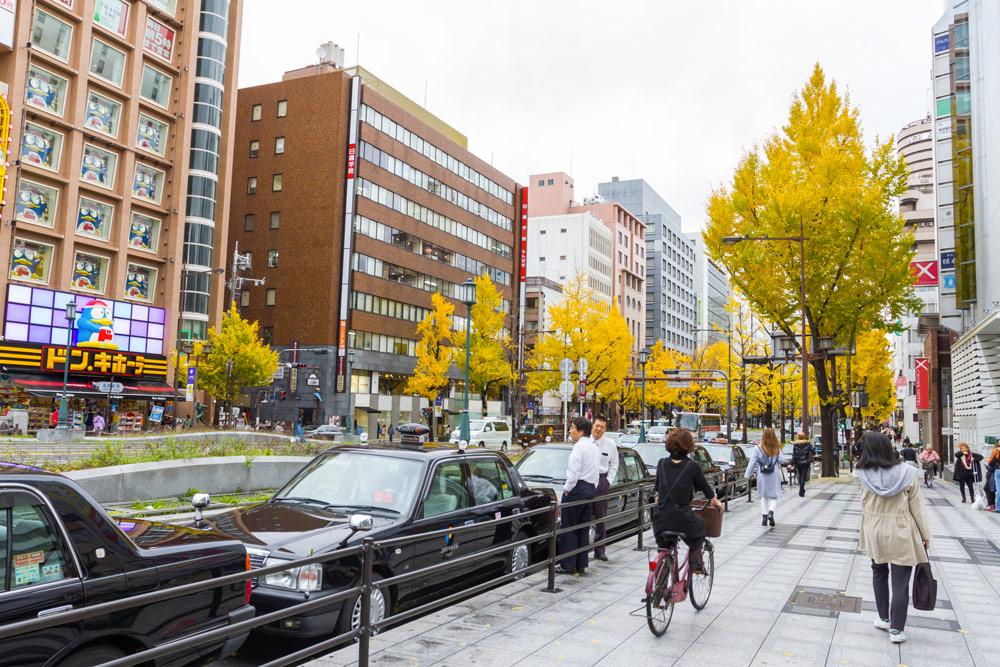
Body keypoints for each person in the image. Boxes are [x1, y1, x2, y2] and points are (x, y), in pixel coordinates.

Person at [855, 431, 931, 644]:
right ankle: (897, 630)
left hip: (874, 528)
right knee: (900, 581)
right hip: (901, 528)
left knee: (878, 571)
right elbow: (917, 507)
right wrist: (925, 534)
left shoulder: (861, 473)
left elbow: (863, 503)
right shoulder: (908, 472)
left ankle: (883, 617)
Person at [652, 428, 723, 573]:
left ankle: (661, 576)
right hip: (682, 518)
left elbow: (658, 493)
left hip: (660, 518)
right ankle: (696, 562)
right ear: (688, 446)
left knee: (664, 546)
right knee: (700, 527)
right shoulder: (692, 467)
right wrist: (717, 502)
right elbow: (706, 489)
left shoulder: (661, 463)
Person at [558, 417, 601, 575]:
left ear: (581, 431)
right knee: (583, 528)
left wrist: (567, 489)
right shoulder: (593, 447)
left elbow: (573, 473)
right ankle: (581, 564)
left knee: (569, 527)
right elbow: (597, 472)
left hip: (576, 489)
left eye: (572, 427)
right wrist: (592, 488)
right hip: (589, 489)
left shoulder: (579, 447)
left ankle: (568, 564)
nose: (570, 430)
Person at [590, 415, 619, 561]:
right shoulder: (586, 442)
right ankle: (582, 551)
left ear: (605, 429)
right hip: (587, 481)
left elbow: (614, 464)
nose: (598, 429)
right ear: (592, 426)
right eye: (596, 426)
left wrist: (608, 481)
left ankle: (599, 550)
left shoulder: (610, 444)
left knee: (601, 518)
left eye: (601, 427)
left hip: (601, 481)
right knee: (583, 516)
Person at [745, 427, 785, 526]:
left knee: (763, 496)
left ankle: (764, 517)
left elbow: (752, 462)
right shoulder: (776, 448)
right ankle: (771, 512)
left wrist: (748, 474)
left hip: (762, 474)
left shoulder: (757, 448)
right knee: (773, 495)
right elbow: (782, 461)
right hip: (773, 474)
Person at [790, 432, 814, 497]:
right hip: (805, 462)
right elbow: (813, 452)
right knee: (803, 476)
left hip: (798, 463)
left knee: (800, 476)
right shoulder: (808, 443)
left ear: (798, 437)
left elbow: (794, 455)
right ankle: (801, 489)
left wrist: (791, 463)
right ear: (804, 437)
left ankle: (801, 489)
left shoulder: (795, 444)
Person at [984, 444, 1000, 511]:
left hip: (996, 472)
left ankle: (996, 506)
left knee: (996, 490)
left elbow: (991, 464)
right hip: (995, 472)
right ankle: (994, 505)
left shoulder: (996, 453)